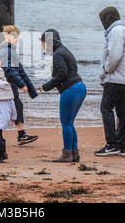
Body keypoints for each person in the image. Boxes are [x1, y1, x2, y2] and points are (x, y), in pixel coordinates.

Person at [0, 25, 39, 146]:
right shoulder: (6, 51)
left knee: (18, 105)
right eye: (16, 37)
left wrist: (30, 89)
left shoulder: (11, 51)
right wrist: (21, 84)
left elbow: (20, 71)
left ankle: (22, 135)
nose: (18, 39)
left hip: (10, 87)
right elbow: (8, 70)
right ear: (9, 37)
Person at [38, 29, 87, 162]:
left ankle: (67, 154)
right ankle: (74, 154)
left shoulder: (58, 54)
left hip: (71, 89)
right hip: (80, 87)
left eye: (43, 44)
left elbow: (62, 74)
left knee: (66, 123)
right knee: (70, 123)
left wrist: (45, 86)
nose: (43, 47)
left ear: (49, 42)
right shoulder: (64, 50)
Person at [95, 7, 125, 157]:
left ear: (108, 19)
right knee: (123, 112)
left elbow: (114, 56)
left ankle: (111, 144)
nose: (102, 23)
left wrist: (105, 70)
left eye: (103, 19)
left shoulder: (116, 31)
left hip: (115, 78)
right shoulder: (123, 30)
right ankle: (121, 145)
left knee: (106, 108)